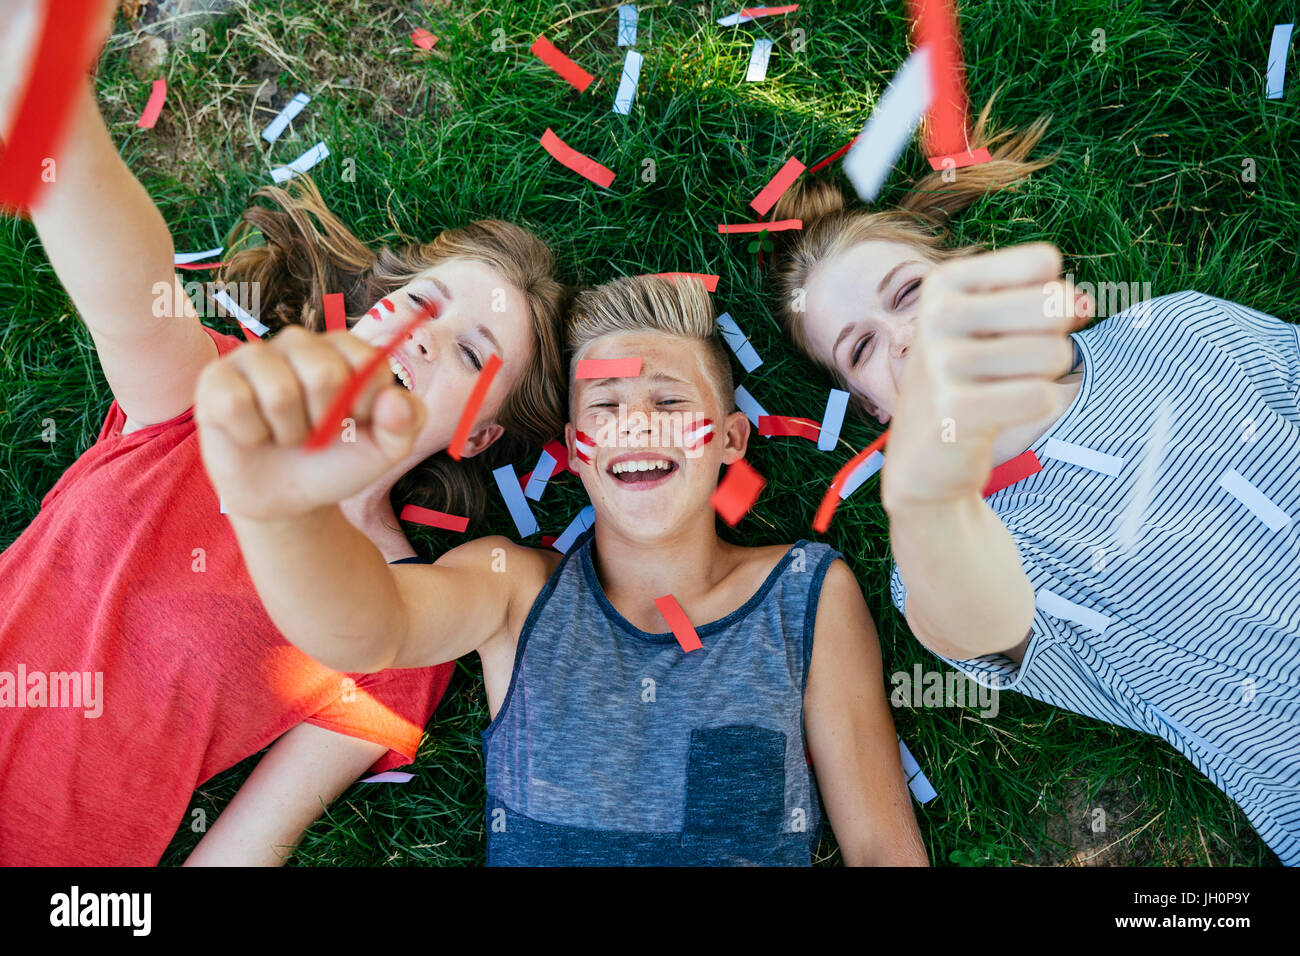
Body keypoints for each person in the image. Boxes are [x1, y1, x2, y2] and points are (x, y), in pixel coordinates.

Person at [0, 29, 568, 864]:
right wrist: (50, 97)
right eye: (423, 301)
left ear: (478, 435)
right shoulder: (218, 395)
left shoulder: (401, 629)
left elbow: (246, 846)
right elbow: (129, 295)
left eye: (472, 352)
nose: (420, 337)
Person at [195, 274, 930, 865]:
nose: (637, 423)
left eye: (669, 401)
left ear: (731, 439)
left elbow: (878, 847)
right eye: (607, 406)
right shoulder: (513, 588)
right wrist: (278, 512)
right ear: (578, 451)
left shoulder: (805, 591)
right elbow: (367, 631)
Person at [771, 106, 1300, 865]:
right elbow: (969, 617)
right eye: (861, 348)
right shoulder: (949, 547)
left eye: (910, 293)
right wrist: (931, 497)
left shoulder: (1176, 330)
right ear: (874, 408)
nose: (904, 339)